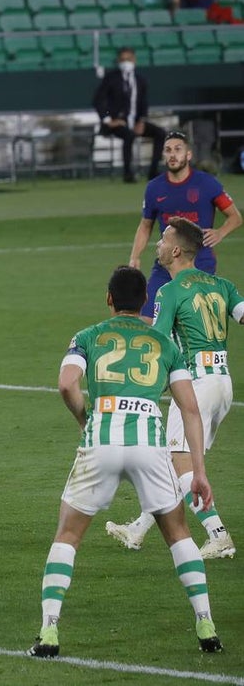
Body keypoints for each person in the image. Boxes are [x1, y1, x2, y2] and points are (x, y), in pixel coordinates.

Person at [27, 265, 221, 658]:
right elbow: (190, 408)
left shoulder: (88, 336)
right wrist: (198, 470)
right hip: (150, 444)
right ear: (145, 301)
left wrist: (85, 417)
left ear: (109, 299)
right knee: (179, 535)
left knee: (68, 536)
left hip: (100, 440)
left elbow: (66, 383)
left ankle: (48, 632)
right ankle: (206, 626)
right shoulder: (166, 344)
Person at [106, 218, 243, 559]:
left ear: (177, 250)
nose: (158, 244)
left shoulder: (169, 291)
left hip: (194, 387)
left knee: (182, 464)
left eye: (163, 239)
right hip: (223, 383)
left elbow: (160, 341)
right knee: (171, 462)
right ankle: (137, 530)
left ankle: (218, 534)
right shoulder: (222, 285)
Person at [127, 130, 241, 320]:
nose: (172, 155)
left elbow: (235, 217)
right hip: (165, 263)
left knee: (195, 320)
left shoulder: (207, 184)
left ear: (188, 154)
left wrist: (220, 232)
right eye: (168, 150)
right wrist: (134, 257)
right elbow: (145, 225)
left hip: (200, 263)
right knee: (147, 319)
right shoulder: (154, 188)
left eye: (178, 149)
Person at [92, 47, 166, 184]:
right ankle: (128, 174)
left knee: (161, 133)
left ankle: (153, 171)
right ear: (118, 61)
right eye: (123, 59)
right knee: (129, 135)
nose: (126, 62)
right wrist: (109, 119)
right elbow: (99, 101)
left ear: (134, 60)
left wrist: (142, 120)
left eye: (129, 59)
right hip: (116, 123)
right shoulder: (110, 79)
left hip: (136, 121)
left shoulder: (140, 80)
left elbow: (143, 102)